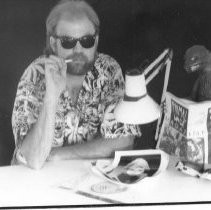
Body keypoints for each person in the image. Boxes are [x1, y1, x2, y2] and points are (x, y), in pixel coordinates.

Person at [11, 0, 141, 169]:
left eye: (87, 41)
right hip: (36, 182)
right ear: (53, 43)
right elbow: (33, 159)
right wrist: (51, 96)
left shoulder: (108, 70)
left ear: (96, 40)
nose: (79, 50)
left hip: (85, 178)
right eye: (68, 41)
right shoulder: (34, 76)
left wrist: (57, 155)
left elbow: (124, 141)